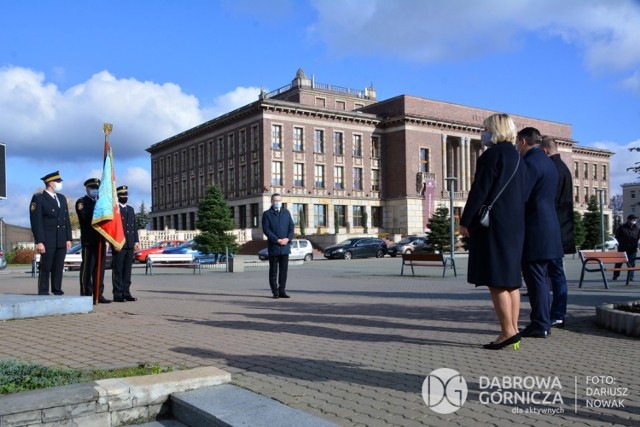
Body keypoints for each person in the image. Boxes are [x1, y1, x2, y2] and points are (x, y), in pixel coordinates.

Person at [460, 113, 528, 350]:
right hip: (515, 226)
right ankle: (514, 329)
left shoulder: (492, 156)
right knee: (511, 281)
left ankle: (507, 332)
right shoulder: (519, 158)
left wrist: (465, 220)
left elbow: (480, 191)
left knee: (496, 280)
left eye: (485, 128)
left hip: (494, 226)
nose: (483, 132)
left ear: (495, 130)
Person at [517, 127, 564, 338]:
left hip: (534, 228)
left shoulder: (529, 163)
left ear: (524, 141)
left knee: (536, 279)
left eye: (518, 142)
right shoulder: (548, 162)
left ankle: (540, 323)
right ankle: (543, 322)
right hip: (549, 226)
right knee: (542, 278)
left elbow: (522, 196)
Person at [540, 136, 575, 328]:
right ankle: (557, 313)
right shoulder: (564, 169)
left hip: (552, 230)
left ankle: (554, 313)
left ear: (545, 151)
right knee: (556, 274)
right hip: (562, 228)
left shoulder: (552, 169)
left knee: (551, 274)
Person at [29, 171, 73, 295]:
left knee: (58, 266)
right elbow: (36, 222)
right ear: (50, 183)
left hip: (61, 238)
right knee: (46, 266)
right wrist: (39, 241)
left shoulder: (61, 198)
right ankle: (43, 290)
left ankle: (57, 289)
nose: (59, 184)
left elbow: (66, 220)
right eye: (57, 182)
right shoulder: (39, 198)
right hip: (48, 239)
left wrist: (68, 238)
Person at [76, 178, 111, 304]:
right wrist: (97, 209)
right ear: (87, 189)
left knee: (99, 270)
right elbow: (85, 218)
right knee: (87, 269)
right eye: (93, 188)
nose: (95, 191)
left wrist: (106, 239)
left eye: (97, 188)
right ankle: (86, 293)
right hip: (89, 242)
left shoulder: (101, 203)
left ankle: (98, 294)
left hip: (100, 241)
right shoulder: (82, 202)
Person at [262, 193, 294, 299]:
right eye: (275, 200)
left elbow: (291, 227)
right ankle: (275, 292)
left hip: (285, 248)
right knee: (273, 271)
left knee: (284, 271)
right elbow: (266, 230)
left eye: (279, 200)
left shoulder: (286, 213)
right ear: (272, 202)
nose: (277, 202)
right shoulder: (267, 214)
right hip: (274, 247)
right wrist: (276, 240)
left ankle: (282, 291)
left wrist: (288, 239)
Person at [112, 186, 139, 302]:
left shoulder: (130, 209)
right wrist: (113, 242)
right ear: (118, 196)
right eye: (122, 195)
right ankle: (117, 294)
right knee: (118, 269)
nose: (125, 197)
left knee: (127, 270)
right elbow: (113, 228)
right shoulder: (115, 209)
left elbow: (134, 226)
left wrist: (136, 240)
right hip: (119, 243)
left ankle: (126, 292)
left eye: (126, 195)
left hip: (130, 243)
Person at [613, 215, 640, 281]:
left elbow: (638, 237)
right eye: (632, 219)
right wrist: (623, 242)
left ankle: (631, 276)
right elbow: (617, 236)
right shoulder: (622, 228)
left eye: (634, 219)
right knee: (619, 263)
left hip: (632, 249)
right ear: (628, 220)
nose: (634, 221)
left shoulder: (636, 228)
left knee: (632, 263)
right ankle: (616, 275)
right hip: (623, 248)